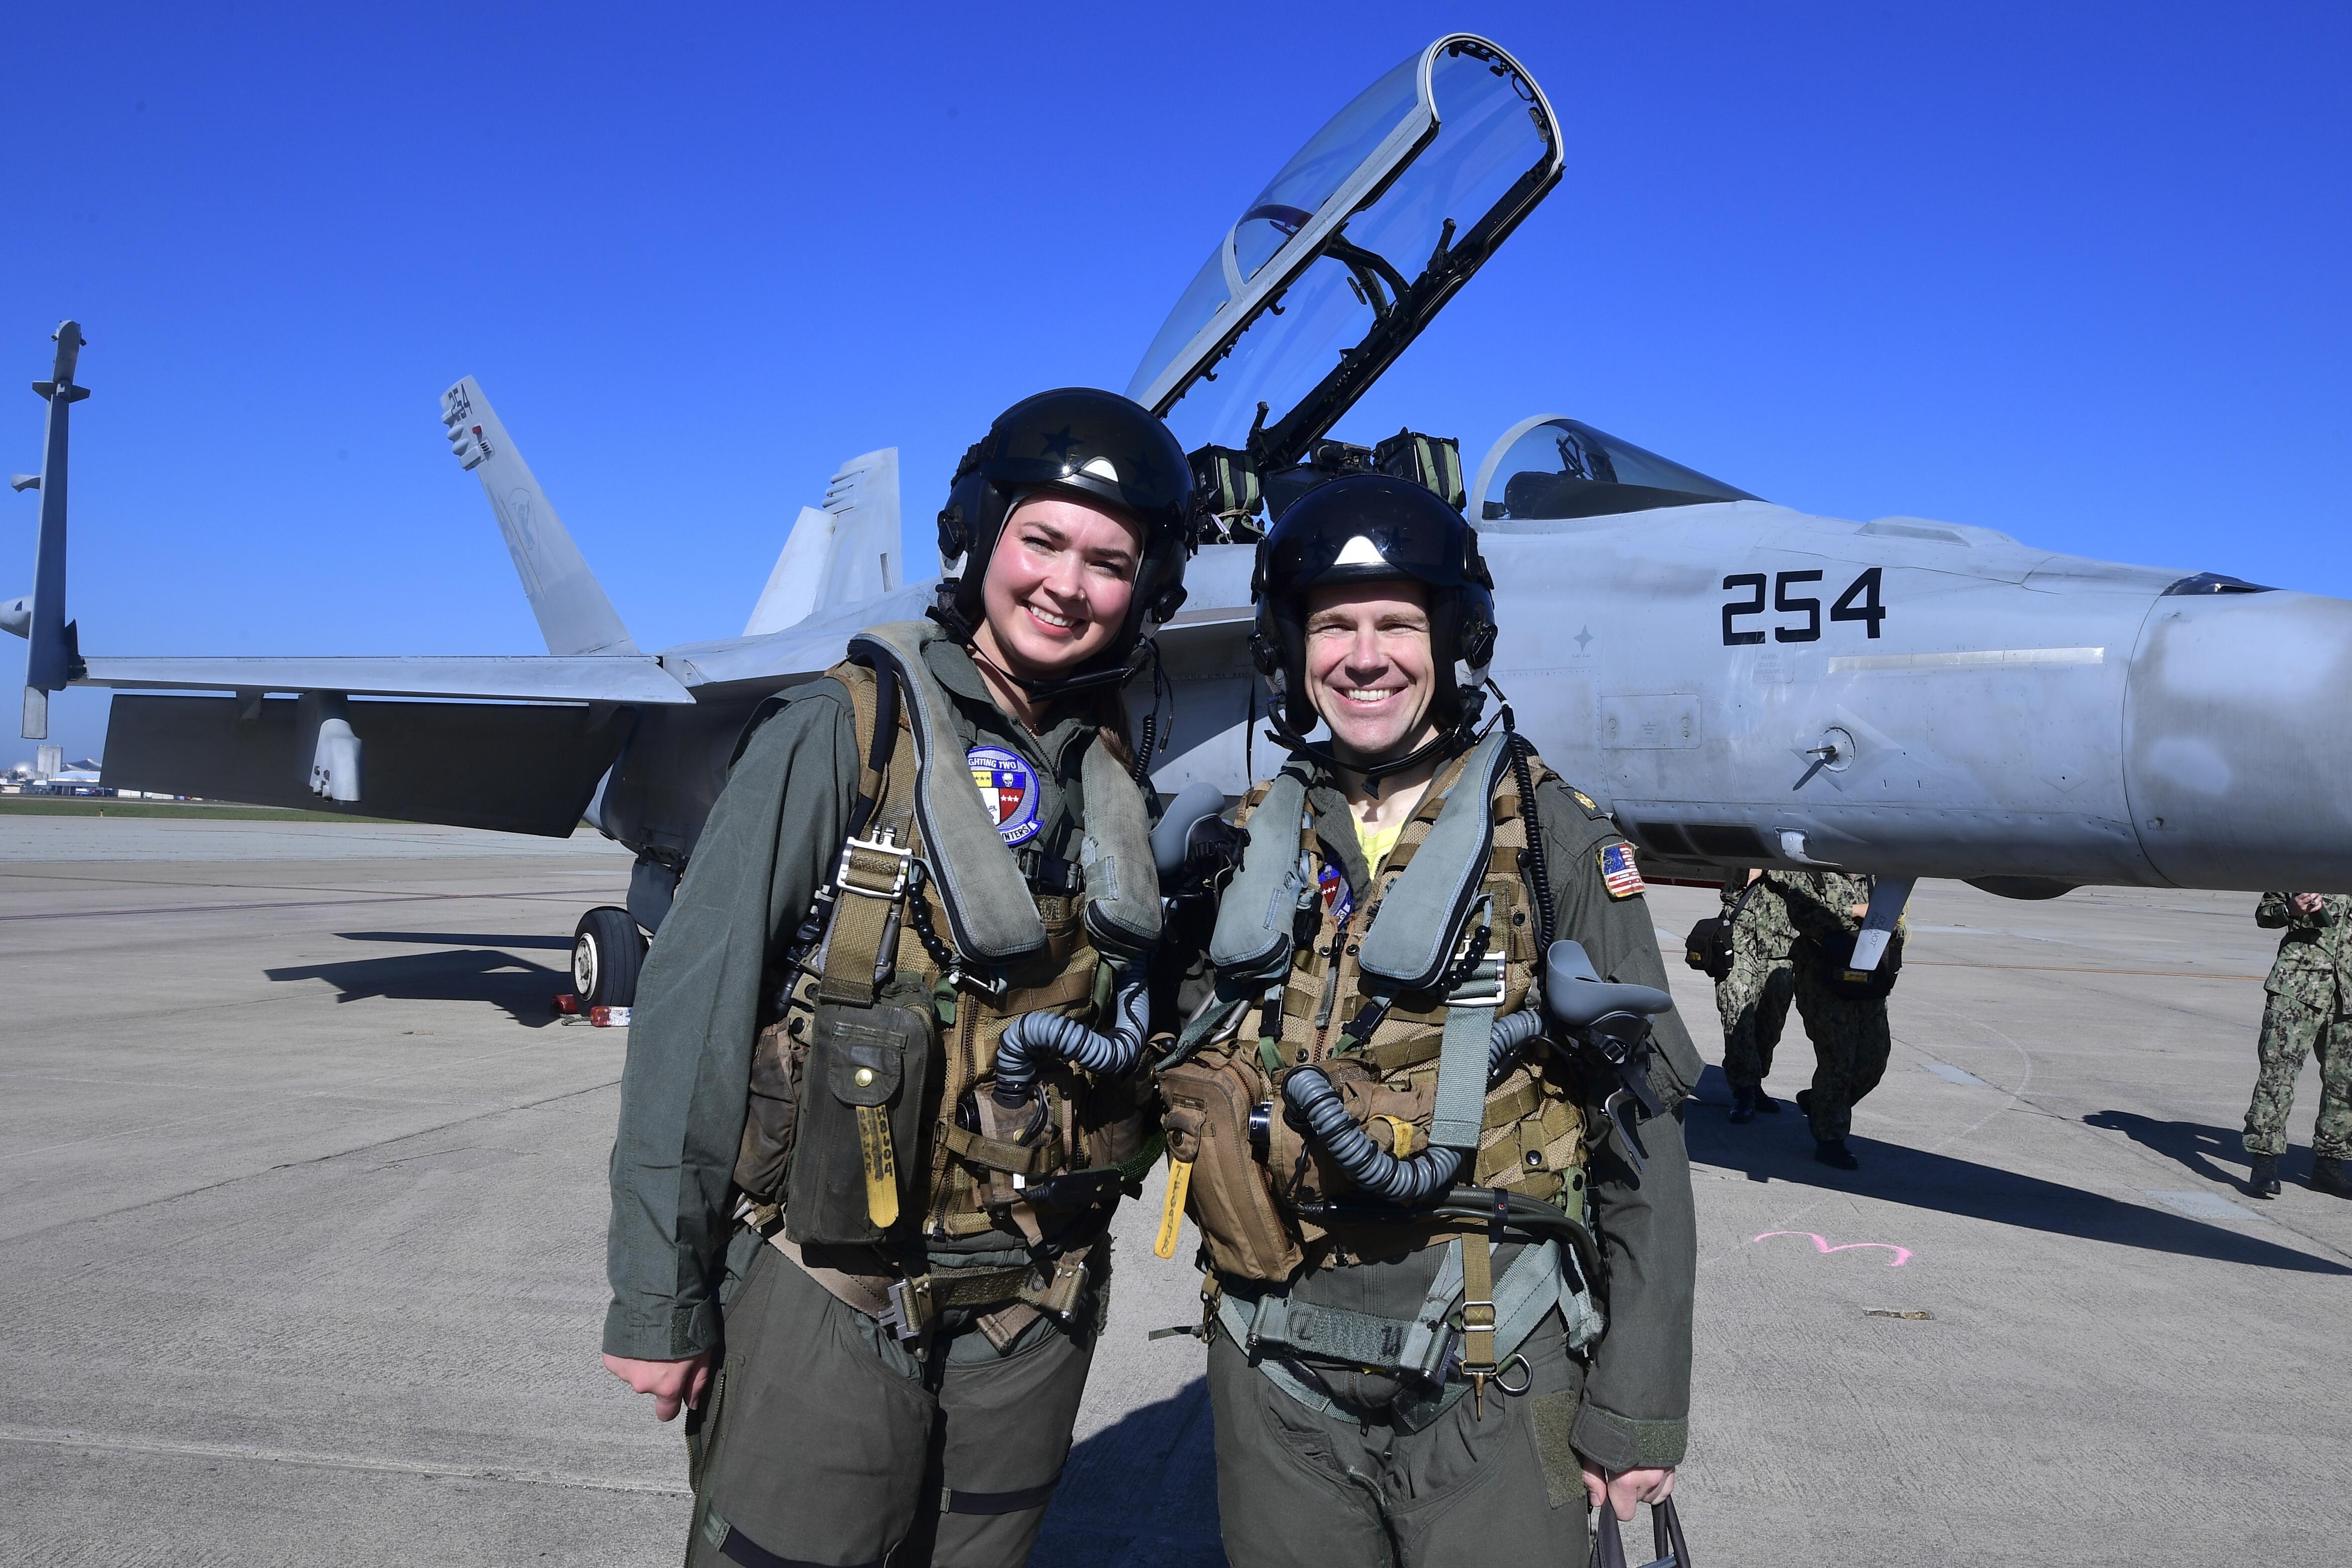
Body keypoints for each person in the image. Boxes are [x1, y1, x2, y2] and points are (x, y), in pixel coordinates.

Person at [599, 387, 1196, 1568]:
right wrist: (655, 1299)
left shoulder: (1106, 771)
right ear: (979, 535)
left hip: (1032, 1307)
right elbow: (693, 1016)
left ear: (1147, 588)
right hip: (828, 1287)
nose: (1066, 584)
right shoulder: (844, 733)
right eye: (1042, 540)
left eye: (1107, 561)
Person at [1160, 474, 1698, 1568]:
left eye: (1399, 623)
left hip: (1490, 1358)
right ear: (1291, 647)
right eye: (1335, 625)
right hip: (1273, 1359)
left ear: (1454, 638)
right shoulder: (1248, 842)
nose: (1366, 656)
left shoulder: (1555, 842)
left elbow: (1645, 1133)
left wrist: (1638, 1400)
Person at [1781, 871, 1893, 1170]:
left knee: (1874, 1060)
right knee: (1838, 1059)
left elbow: (1895, 919)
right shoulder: (1814, 869)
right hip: (1823, 982)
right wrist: (1857, 912)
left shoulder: (1874, 873)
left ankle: (1821, 1102)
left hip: (1867, 980)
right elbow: (1804, 914)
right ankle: (1831, 1139)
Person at [2244, 891, 2352, 1198]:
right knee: (2278, 1075)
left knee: (2345, 1084)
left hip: (2349, 997)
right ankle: (2264, 1161)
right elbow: (2265, 914)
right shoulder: (2306, 863)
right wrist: (2290, 908)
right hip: (2297, 988)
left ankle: (2329, 1165)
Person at [1716, 868, 1795, 1124]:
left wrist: (1769, 868)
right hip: (1739, 938)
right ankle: (1744, 1090)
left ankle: (1756, 1079)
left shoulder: (1799, 841)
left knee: (1771, 1020)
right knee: (1736, 1010)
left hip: (1782, 943)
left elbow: (1809, 881)